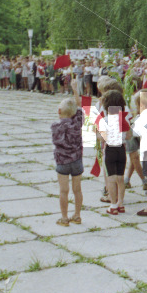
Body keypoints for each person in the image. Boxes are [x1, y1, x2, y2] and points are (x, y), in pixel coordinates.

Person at [50, 83, 84, 226]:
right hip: (77, 161)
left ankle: (64, 218)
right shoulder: (77, 124)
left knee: (63, 191)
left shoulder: (55, 126)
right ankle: (77, 215)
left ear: (59, 111)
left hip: (62, 162)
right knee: (77, 190)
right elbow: (80, 108)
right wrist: (75, 89)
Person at [97, 89, 129, 215]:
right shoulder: (123, 120)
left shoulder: (105, 121)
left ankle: (113, 204)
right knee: (120, 178)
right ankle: (120, 203)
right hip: (121, 149)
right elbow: (129, 136)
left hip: (110, 149)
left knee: (111, 179)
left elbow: (102, 138)